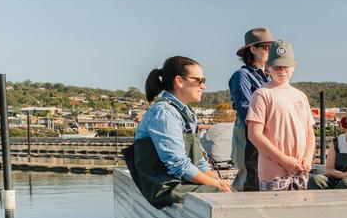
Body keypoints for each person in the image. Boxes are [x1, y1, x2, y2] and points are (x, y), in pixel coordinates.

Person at [131, 56, 232, 208]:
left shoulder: (185, 113)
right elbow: (178, 164)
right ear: (179, 81)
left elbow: (200, 162)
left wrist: (217, 180)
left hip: (180, 181)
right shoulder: (164, 113)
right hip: (165, 186)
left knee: (230, 190)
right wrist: (215, 184)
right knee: (223, 197)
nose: (203, 86)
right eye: (199, 80)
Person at [245, 40, 318, 191]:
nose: (282, 71)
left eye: (285, 66)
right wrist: (284, 160)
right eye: (277, 66)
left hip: (300, 172)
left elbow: (310, 133)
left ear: (294, 67)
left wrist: (308, 158)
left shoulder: (300, 96)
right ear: (268, 67)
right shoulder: (262, 94)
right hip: (274, 174)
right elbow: (254, 135)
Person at [228, 28, 273, 191]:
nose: (271, 51)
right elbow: (245, 109)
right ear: (253, 49)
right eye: (267, 47)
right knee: (249, 175)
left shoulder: (269, 76)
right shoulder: (242, 75)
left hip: (266, 132)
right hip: (249, 132)